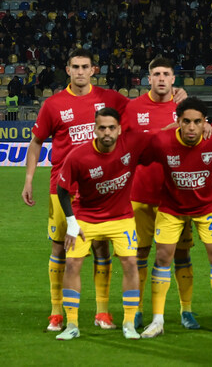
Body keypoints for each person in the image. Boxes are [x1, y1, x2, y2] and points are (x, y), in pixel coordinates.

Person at [22, 48, 128, 332]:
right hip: (63, 189)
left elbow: (143, 110)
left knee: (101, 248)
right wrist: (29, 179)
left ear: (94, 70)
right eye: (75, 67)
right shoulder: (53, 104)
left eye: (85, 67)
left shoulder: (109, 98)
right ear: (67, 70)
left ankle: (102, 312)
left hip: (100, 188)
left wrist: (176, 97)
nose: (80, 72)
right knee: (60, 248)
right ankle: (57, 312)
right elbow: (36, 142)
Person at [140, 98, 212, 339]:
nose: (191, 127)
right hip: (171, 208)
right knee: (163, 257)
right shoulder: (162, 140)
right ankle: (158, 321)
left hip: (207, 208)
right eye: (186, 121)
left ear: (204, 122)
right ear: (177, 122)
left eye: (197, 122)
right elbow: (138, 156)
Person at [55, 107, 146, 340]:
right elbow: (62, 190)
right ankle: (72, 324)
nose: (106, 132)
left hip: (121, 217)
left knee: (129, 263)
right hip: (86, 217)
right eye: (102, 128)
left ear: (119, 129)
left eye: (111, 128)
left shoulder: (132, 144)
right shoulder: (78, 156)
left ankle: (128, 322)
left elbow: (163, 134)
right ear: (94, 129)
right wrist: (71, 222)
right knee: (73, 264)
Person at [122, 57, 198, 330]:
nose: (162, 78)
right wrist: (161, 134)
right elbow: (125, 147)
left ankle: (186, 311)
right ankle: (138, 309)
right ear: (149, 78)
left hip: (175, 196)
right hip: (140, 194)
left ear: (174, 78)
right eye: (157, 74)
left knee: (181, 254)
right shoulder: (132, 108)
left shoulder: (184, 108)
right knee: (139, 254)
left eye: (167, 73)